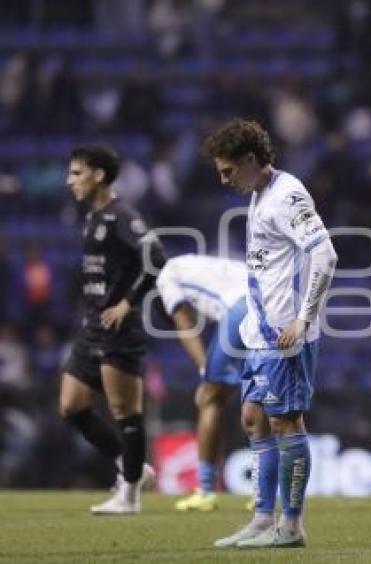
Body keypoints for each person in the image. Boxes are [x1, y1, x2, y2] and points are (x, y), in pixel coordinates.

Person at [202, 119, 337, 549]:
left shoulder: (287, 193)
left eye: (228, 171)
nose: (225, 180)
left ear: (249, 159)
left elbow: (325, 254)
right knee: (252, 419)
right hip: (259, 334)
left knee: (285, 422)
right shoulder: (260, 194)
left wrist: (302, 318)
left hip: (285, 334)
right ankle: (262, 519)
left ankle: (292, 526)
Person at [60, 145, 166, 514]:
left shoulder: (122, 215)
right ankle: (133, 467)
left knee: (125, 412)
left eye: (76, 173)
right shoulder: (93, 217)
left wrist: (128, 303)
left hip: (119, 329)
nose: (69, 180)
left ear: (99, 176)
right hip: (92, 329)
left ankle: (131, 496)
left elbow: (157, 258)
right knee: (72, 407)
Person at [155, 253, 250, 512]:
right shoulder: (210, 265)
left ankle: (206, 490)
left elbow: (184, 325)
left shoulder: (167, 276)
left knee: (209, 398)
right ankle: (264, 492)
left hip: (241, 310)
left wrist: (204, 370)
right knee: (257, 399)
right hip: (274, 306)